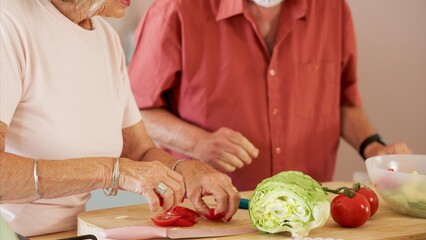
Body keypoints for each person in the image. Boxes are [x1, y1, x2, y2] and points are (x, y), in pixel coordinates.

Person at [0, 0, 239, 237]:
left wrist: (187, 171)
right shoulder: (8, 23)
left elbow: (140, 152)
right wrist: (112, 172)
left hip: (73, 233)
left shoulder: (107, 39)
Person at [128, 0, 412, 191]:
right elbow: (135, 111)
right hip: (207, 209)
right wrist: (199, 143)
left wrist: (373, 147)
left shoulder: (332, 8)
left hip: (307, 209)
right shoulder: (176, 9)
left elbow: (343, 102)